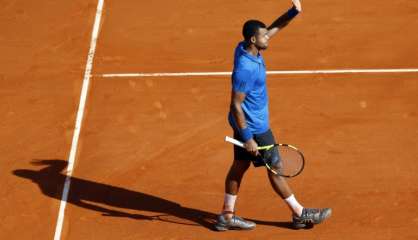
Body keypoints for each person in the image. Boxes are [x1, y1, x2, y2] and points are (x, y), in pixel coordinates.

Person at [215, 0, 331, 231]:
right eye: (264, 36)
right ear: (253, 40)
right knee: (275, 167)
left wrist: (293, 12)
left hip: (247, 125)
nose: (268, 38)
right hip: (255, 127)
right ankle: (300, 214)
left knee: (239, 165)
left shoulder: (246, 46)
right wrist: (248, 137)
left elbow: (276, 27)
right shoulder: (245, 68)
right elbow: (235, 105)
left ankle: (227, 215)